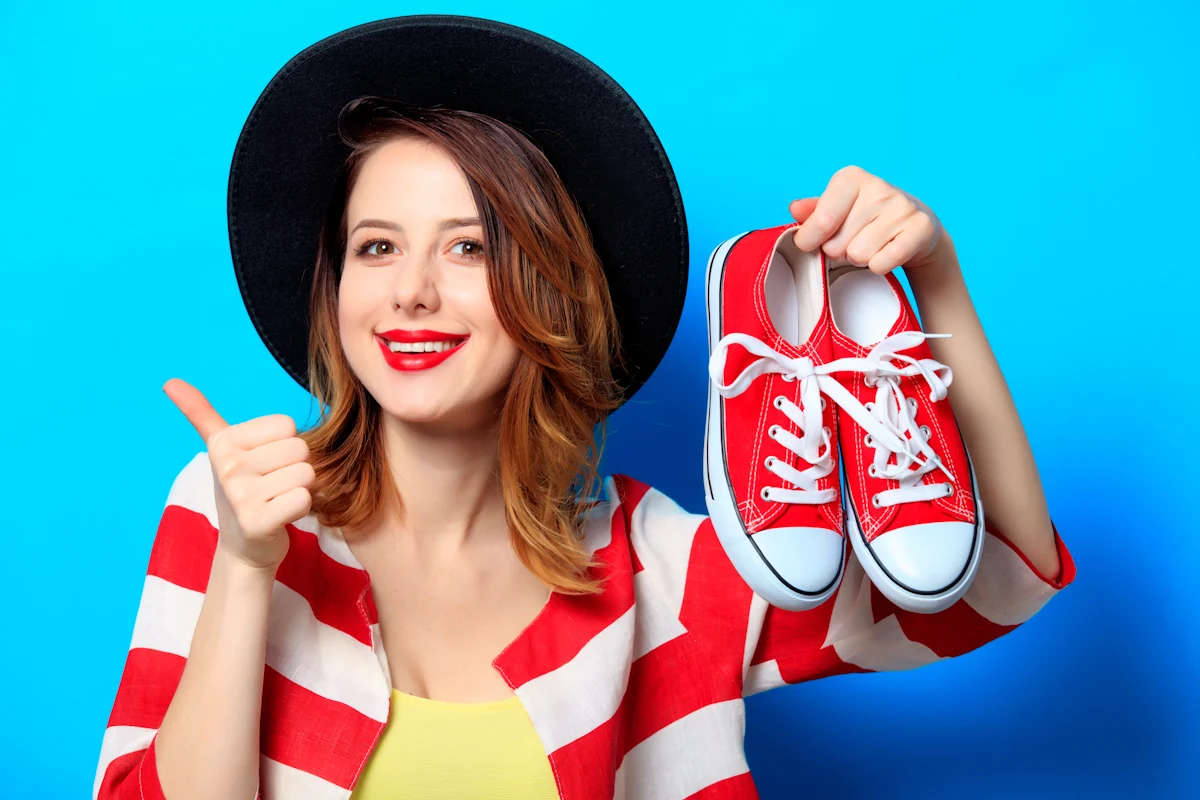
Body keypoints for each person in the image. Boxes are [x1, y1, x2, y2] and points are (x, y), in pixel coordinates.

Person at [92, 15, 1075, 800]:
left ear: (550, 290)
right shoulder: (238, 510)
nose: (412, 293)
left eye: (469, 248)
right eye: (377, 247)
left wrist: (931, 284)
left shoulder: (658, 568)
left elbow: (999, 582)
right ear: (335, 287)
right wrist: (244, 567)